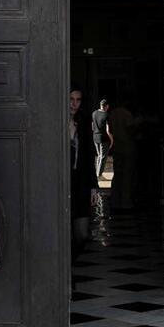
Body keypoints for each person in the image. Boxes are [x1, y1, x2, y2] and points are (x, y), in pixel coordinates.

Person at [69, 86, 97, 266]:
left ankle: (68, 266)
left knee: (82, 234)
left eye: (78, 100)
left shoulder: (84, 121)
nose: (74, 104)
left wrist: (94, 187)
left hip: (81, 185)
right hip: (62, 184)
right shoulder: (55, 120)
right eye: (71, 99)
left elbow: (88, 156)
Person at [92, 98, 113, 177]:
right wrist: (111, 140)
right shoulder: (106, 115)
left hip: (95, 137)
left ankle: (96, 173)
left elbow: (92, 126)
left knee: (99, 156)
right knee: (103, 157)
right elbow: (108, 130)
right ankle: (98, 174)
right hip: (103, 139)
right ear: (106, 106)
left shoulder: (94, 113)